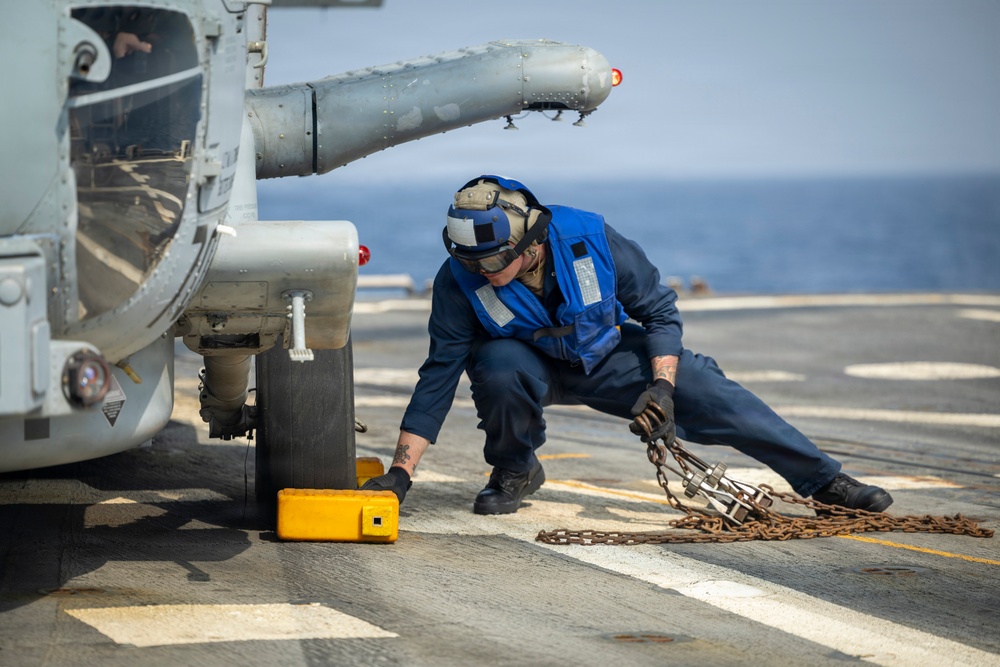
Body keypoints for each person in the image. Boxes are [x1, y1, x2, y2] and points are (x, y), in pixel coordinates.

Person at [362, 175, 893, 516]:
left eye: (493, 261)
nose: (482, 271)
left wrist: (662, 388)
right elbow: (439, 374)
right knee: (497, 366)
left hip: (605, 358)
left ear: (531, 242)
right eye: (469, 261)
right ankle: (515, 469)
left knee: (709, 387)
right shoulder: (459, 281)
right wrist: (400, 475)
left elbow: (658, 312)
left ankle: (825, 481)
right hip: (528, 366)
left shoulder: (591, 240)